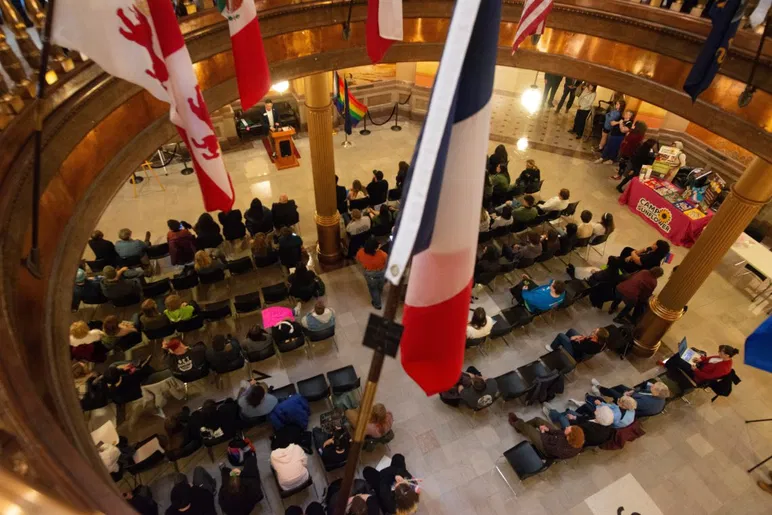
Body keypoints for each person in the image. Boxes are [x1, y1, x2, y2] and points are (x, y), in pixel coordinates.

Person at [508, 412, 584, 459]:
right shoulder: (574, 440)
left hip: (546, 448)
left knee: (528, 429)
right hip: (553, 441)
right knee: (538, 420)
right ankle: (520, 427)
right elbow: (560, 433)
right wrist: (548, 430)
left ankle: (516, 424)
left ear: (568, 437)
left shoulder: (560, 447)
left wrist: (543, 432)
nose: (567, 427)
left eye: (568, 428)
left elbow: (547, 444)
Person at [660, 341, 738, 384]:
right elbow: (709, 359)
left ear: (727, 355)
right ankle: (669, 364)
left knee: (680, 357)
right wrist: (701, 359)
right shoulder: (723, 357)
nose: (718, 353)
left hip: (698, 375)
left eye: (720, 352)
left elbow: (709, 377)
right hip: (700, 366)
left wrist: (696, 370)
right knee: (688, 352)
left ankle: (667, 365)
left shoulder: (724, 368)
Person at [543, 403, 615, 448]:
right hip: (583, 428)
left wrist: (572, 420)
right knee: (570, 412)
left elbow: (577, 428)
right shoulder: (606, 422)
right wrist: (575, 417)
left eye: (598, 411)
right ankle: (556, 415)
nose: (596, 410)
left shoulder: (589, 428)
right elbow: (588, 419)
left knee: (562, 418)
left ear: (599, 418)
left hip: (577, 436)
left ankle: (552, 413)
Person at [590, 379, 670, 417]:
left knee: (613, 392)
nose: (651, 385)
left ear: (656, 393)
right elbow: (644, 386)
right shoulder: (657, 392)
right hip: (634, 396)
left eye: (653, 386)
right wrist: (632, 391)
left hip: (632, 406)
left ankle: (600, 388)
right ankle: (604, 392)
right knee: (621, 387)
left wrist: (625, 395)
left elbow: (630, 404)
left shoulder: (646, 403)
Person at [570, 393, 637, 429]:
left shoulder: (616, 414)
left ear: (624, 406)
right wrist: (601, 403)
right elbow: (611, 407)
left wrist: (600, 405)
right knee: (600, 399)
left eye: (620, 401)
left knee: (587, 406)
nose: (618, 401)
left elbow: (605, 414)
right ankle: (588, 399)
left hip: (605, 422)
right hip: (610, 417)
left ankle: (575, 413)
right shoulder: (631, 409)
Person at [356, 237, 388, 309]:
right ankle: (379, 292)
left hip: (370, 275)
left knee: (373, 289)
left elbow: (359, 261)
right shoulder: (382, 254)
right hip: (381, 273)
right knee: (380, 285)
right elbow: (387, 263)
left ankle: (377, 304)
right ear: (375, 249)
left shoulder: (360, 252)